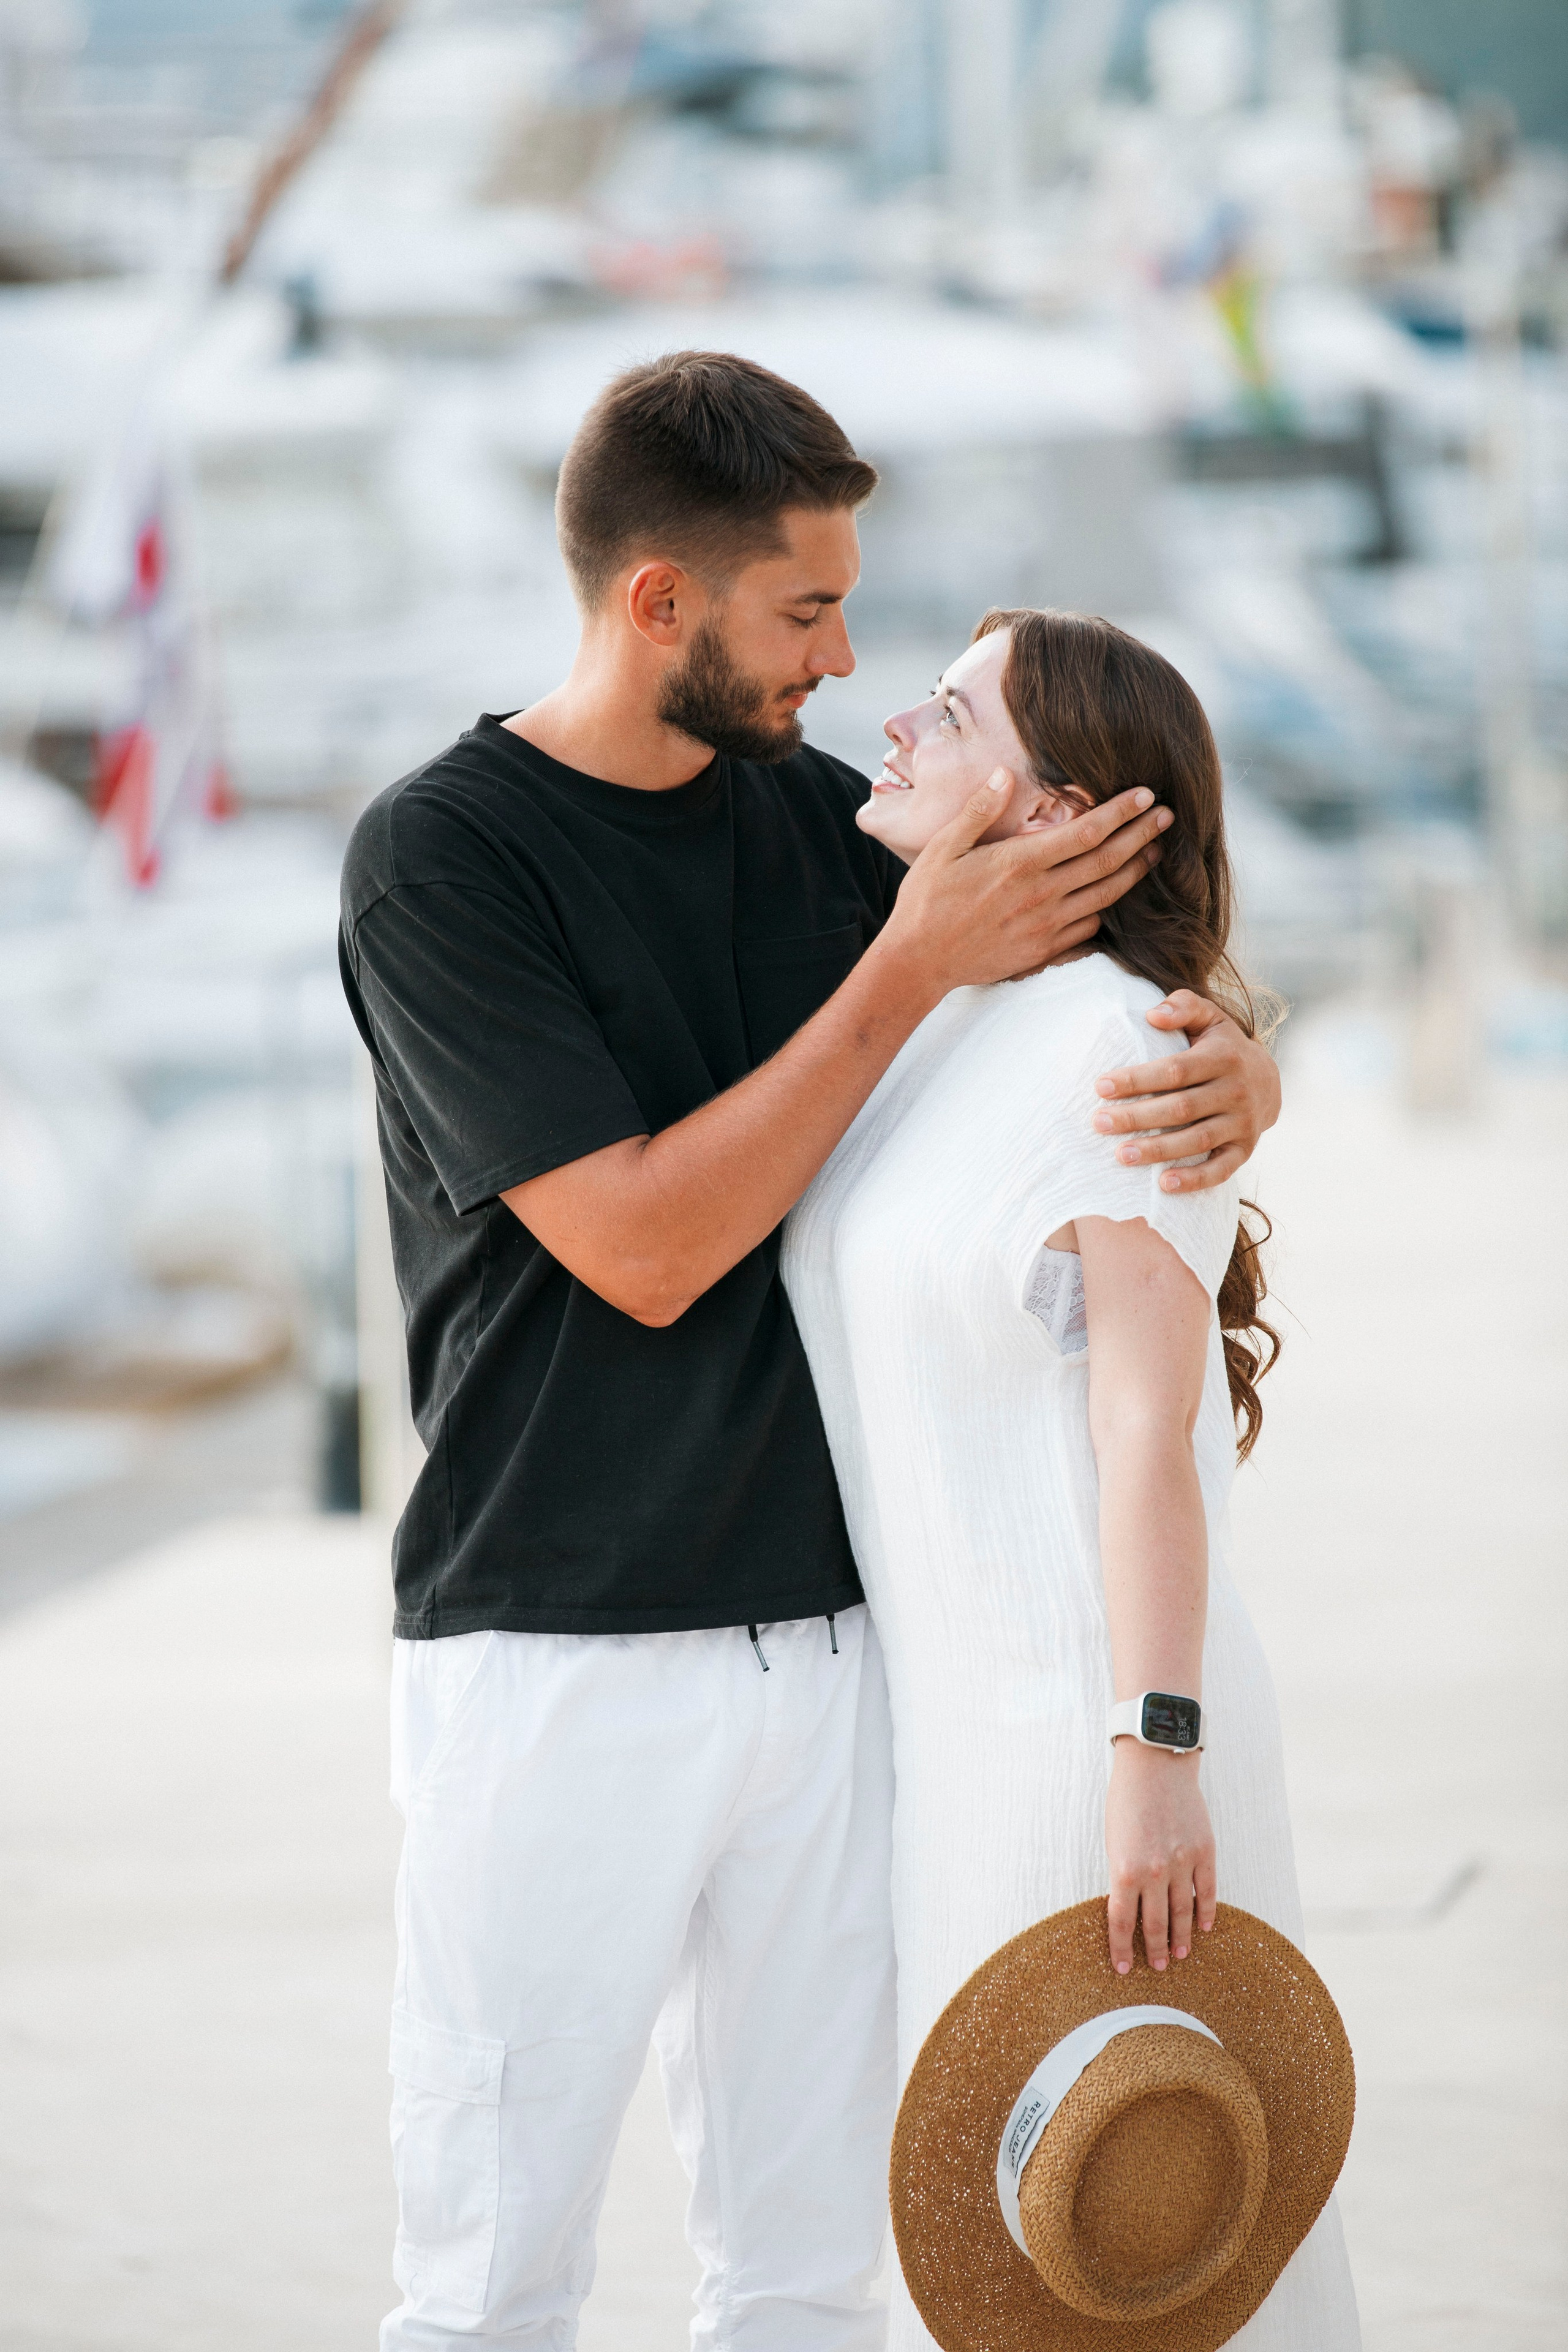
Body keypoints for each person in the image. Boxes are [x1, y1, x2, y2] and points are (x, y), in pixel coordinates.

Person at [337, 354, 1283, 2351]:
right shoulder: (446, 858)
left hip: (841, 1665)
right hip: (553, 1656)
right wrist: (905, 962)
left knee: (805, 2278)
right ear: (655, 604)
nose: (848, 665)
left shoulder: (826, 823)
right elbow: (652, 1247)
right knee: (492, 2272)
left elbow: (1109, 980)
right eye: (805, 611)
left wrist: (1241, 1072)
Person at [780, 606, 1360, 2349]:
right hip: (958, 1744)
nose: (897, 722)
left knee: (1114, 2255)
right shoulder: (954, 1013)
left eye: (952, 712)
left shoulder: (1132, 1053)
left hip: (1091, 1745)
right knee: (1004, 2269)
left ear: (1062, 814)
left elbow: (1143, 1438)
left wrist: (1152, 1756)